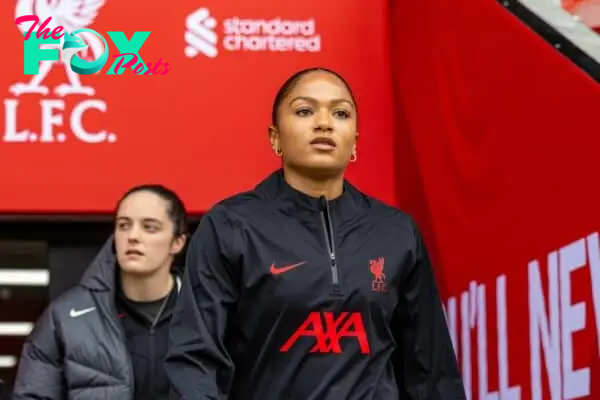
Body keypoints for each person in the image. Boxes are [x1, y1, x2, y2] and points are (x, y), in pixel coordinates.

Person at [165, 67, 466, 399]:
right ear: (275, 138)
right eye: (305, 110)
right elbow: (195, 358)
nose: (324, 122)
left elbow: (430, 368)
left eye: (340, 113)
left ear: (354, 142)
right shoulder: (231, 226)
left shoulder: (396, 233)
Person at [12, 184, 188, 400]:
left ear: (177, 242)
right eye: (123, 226)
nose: (133, 236)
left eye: (149, 227)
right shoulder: (66, 316)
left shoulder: (210, 315)